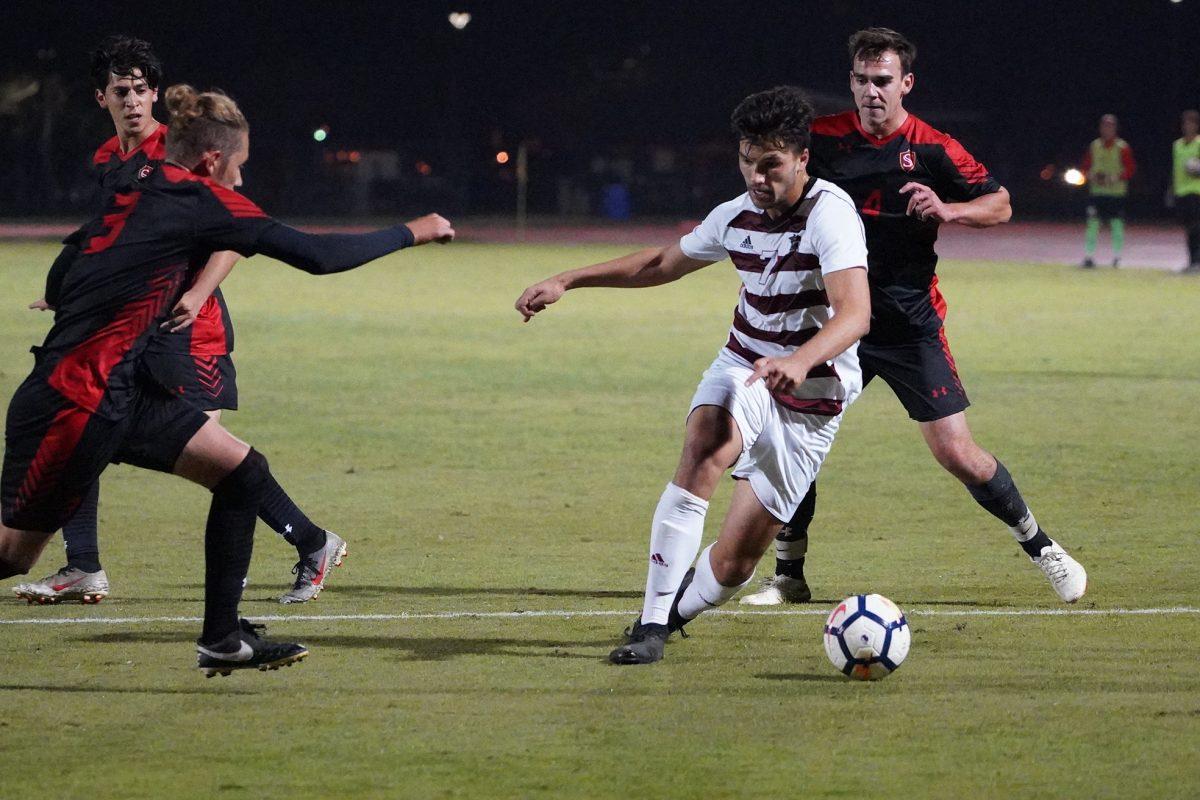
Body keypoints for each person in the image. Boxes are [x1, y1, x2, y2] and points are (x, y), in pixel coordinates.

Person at [0, 85, 455, 675]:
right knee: (13, 555)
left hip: (122, 388)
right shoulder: (203, 199)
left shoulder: (133, 180)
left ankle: (221, 639)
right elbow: (318, 256)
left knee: (243, 473)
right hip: (76, 400)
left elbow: (70, 258)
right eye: (239, 167)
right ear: (213, 160)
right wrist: (411, 231)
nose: (241, 182)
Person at [516, 86, 871, 664]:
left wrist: (800, 360)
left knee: (734, 566)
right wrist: (568, 280)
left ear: (802, 159)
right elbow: (661, 263)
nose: (757, 177)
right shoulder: (735, 217)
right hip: (746, 367)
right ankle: (650, 625)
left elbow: (856, 313)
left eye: (771, 165)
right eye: (747, 162)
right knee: (707, 435)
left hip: (814, 397)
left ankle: (675, 611)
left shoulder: (831, 214)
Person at [740, 28, 1087, 607]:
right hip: (835, 323)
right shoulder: (821, 141)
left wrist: (950, 208)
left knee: (956, 451)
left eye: (882, 81)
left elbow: (1001, 203)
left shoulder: (933, 148)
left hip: (907, 324)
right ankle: (788, 576)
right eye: (860, 80)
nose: (871, 92)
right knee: (793, 437)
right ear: (849, 82)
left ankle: (1042, 547)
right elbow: (773, 173)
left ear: (905, 83)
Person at [12, 36, 344, 606]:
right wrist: (72, 293)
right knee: (85, 424)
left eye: (143, 90)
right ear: (103, 99)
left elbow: (238, 233)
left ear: (156, 95)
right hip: (135, 333)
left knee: (217, 458)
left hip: (191, 336)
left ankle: (310, 542)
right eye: (123, 91)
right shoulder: (106, 161)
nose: (135, 102)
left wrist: (197, 291)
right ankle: (84, 564)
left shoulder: (180, 149)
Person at [1080, 114, 1136, 269]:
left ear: (1115, 129)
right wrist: (1089, 175)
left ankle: (1117, 258)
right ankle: (1089, 256)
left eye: (1110, 126)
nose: (1107, 129)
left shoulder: (1122, 147)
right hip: (1097, 193)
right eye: (1104, 126)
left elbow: (1130, 169)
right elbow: (1085, 167)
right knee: (1092, 224)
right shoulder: (1094, 146)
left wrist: (1116, 177)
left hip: (1116, 193)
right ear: (1100, 128)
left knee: (1117, 225)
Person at [1172, 109, 1200, 274]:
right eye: (1185, 123)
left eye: (1191, 123)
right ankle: (1191, 262)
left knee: (1197, 227)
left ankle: (1197, 260)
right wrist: (1172, 191)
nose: (1187, 126)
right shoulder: (1177, 145)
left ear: (1196, 125)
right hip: (1181, 192)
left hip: (1196, 191)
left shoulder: (1198, 144)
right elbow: (1175, 170)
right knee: (1189, 228)